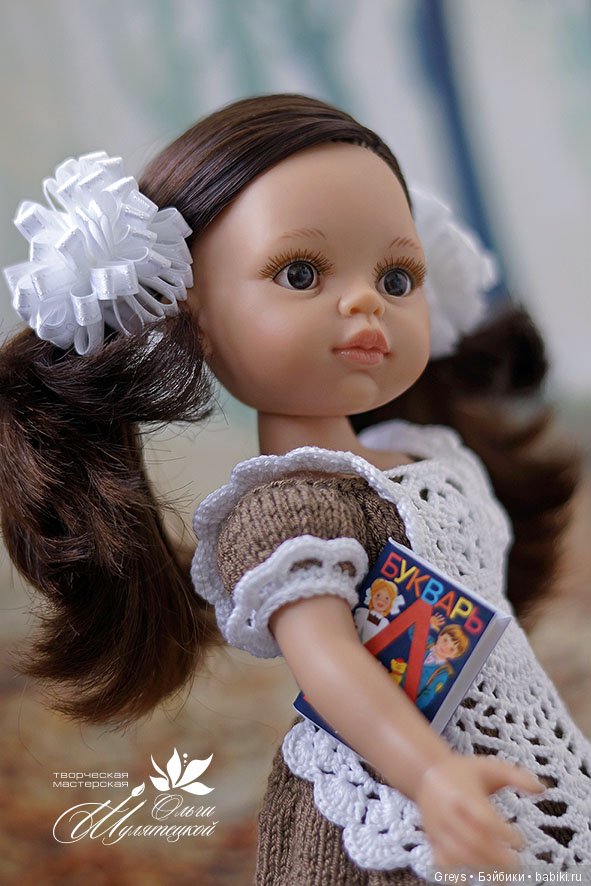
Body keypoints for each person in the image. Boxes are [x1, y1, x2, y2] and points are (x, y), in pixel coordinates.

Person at [1, 95, 589, 883]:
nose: (365, 301)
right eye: (301, 274)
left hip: (497, 752)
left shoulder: (417, 454)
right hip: (388, 809)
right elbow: (329, 661)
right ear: (192, 314)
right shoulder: (290, 513)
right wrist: (427, 775)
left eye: (396, 276)